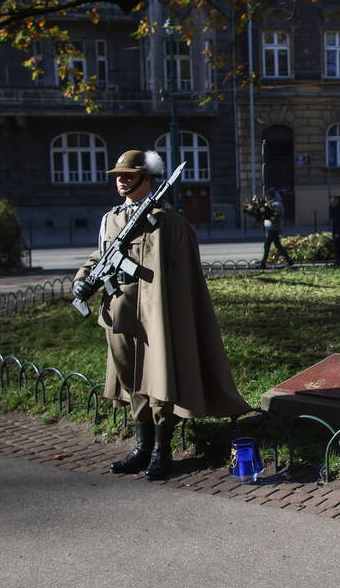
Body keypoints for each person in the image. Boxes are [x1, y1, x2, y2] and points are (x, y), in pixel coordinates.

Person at [72, 150, 250, 480]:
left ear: (147, 179)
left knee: (160, 378)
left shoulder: (169, 223)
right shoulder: (111, 218)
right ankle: (142, 446)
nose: (121, 180)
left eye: (128, 174)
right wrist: (82, 281)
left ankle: (161, 449)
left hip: (157, 316)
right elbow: (101, 254)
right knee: (131, 378)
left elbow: (184, 279)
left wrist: (173, 318)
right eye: (118, 175)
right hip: (119, 311)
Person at [259, 190, 294, 270]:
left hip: (273, 228)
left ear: (271, 196)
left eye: (267, 195)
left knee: (267, 245)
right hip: (270, 227)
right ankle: (289, 261)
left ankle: (263, 264)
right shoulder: (269, 203)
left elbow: (277, 216)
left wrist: (268, 215)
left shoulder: (277, 204)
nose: (266, 197)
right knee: (278, 245)